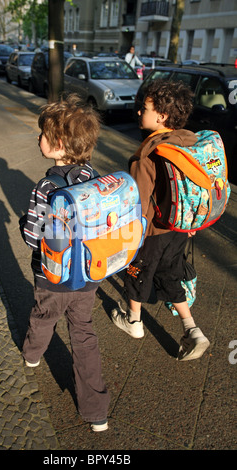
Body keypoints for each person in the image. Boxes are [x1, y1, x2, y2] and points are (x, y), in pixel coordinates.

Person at [20, 94, 110, 432]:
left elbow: (32, 237)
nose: (39, 139)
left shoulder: (47, 186)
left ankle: (32, 354)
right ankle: (97, 411)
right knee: (84, 332)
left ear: (57, 144)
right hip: (88, 274)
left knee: (44, 316)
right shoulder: (96, 177)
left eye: (42, 134)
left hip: (53, 276)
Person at [111, 79, 210, 362]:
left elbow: (139, 202)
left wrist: (128, 234)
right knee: (169, 274)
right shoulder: (189, 142)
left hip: (153, 229)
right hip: (180, 227)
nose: (139, 112)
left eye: (145, 108)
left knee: (137, 273)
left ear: (161, 116)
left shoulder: (148, 153)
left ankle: (133, 322)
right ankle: (192, 329)